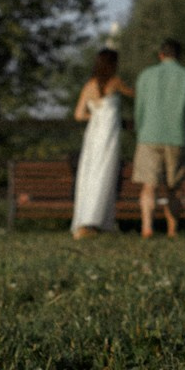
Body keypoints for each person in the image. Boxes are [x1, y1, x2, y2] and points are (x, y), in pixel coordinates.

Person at [132, 38, 185, 238]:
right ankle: (172, 230)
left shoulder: (146, 76)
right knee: (174, 188)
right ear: (178, 55)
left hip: (149, 135)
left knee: (149, 185)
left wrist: (140, 130)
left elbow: (139, 108)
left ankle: (147, 226)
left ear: (161, 55)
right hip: (177, 136)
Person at [70, 48, 135, 237]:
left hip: (93, 135)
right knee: (104, 174)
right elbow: (134, 94)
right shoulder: (115, 82)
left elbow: (79, 114)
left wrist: (96, 115)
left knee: (90, 174)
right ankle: (94, 219)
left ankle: (86, 219)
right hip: (108, 136)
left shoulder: (89, 86)